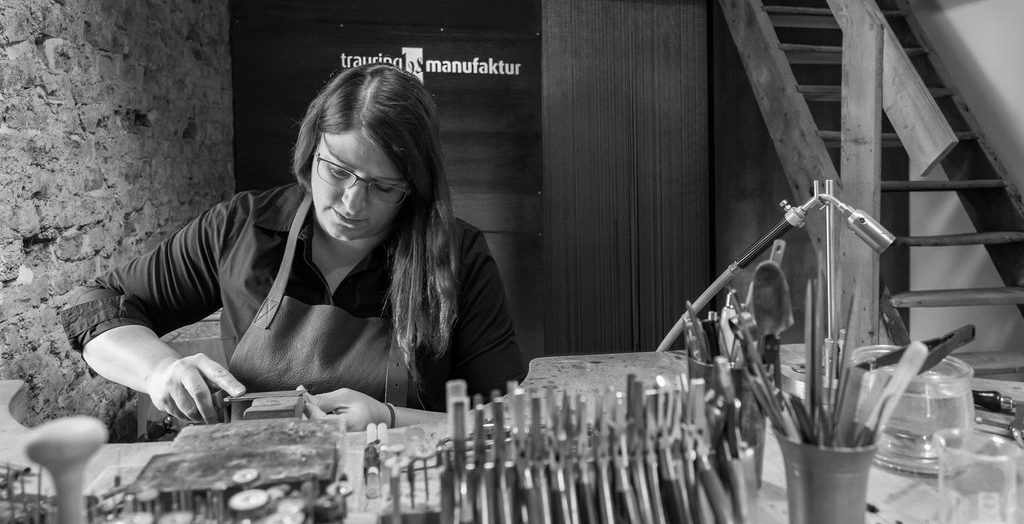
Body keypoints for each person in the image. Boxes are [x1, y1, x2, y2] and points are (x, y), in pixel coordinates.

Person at [59, 63, 527, 430]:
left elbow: (505, 421)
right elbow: (94, 306)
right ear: (311, 149)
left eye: (383, 187)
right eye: (338, 171)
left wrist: (388, 419)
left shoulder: (455, 254)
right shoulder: (241, 228)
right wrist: (161, 370)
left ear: (415, 186)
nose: (351, 203)